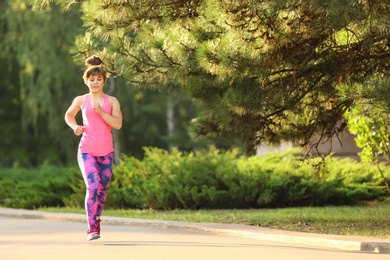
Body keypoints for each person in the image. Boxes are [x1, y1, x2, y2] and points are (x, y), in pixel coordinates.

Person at [64, 56, 123, 241]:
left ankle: (97, 217)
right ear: (86, 80)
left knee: (103, 188)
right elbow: (68, 115)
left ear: (104, 80)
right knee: (93, 186)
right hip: (87, 150)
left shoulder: (112, 101)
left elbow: (118, 124)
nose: (95, 82)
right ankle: (92, 226)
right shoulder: (81, 99)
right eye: (92, 79)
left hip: (106, 152)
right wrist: (75, 127)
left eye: (98, 79)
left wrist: (101, 112)